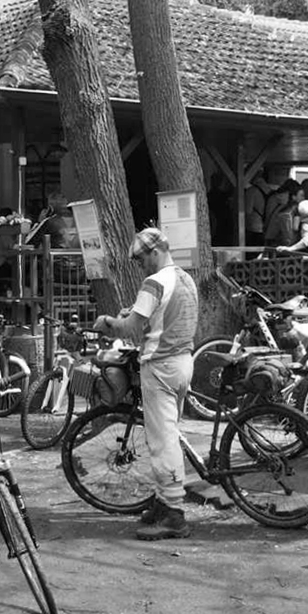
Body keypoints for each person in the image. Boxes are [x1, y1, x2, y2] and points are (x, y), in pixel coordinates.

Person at [92, 227, 198, 541]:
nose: (140, 266)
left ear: (155, 252)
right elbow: (165, 318)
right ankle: (163, 503)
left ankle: (174, 514)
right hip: (183, 362)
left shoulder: (154, 283)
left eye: (141, 259)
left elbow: (129, 328)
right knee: (170, 433)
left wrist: (108, 323)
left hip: (160, 366)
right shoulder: (185, 279)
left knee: (163, 441)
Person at [262, 179, 303, 250]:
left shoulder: (281, 204)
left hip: (272, 235)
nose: (303, 198)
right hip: (278, 241)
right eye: (301, 195)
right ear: (293, 196)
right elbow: (289, 234)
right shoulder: (287, 210)